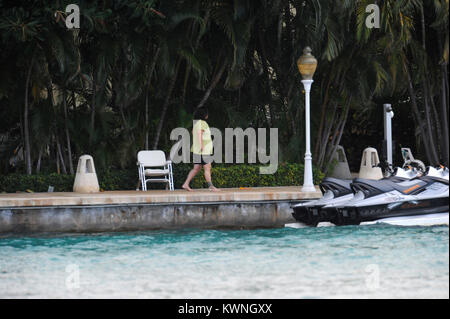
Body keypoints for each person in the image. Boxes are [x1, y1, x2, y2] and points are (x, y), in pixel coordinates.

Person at [182, 107, 219, 192]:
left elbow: (193, 133)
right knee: (207, 168)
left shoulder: (196, 124)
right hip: (203, 150)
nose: (207, 115)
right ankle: (211, 186)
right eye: (206, 113)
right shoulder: (202, 123)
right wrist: (201, 145)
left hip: (197, 150)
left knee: (197, 168)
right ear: (204, 115)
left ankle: (186, 184)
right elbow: (199, 134)